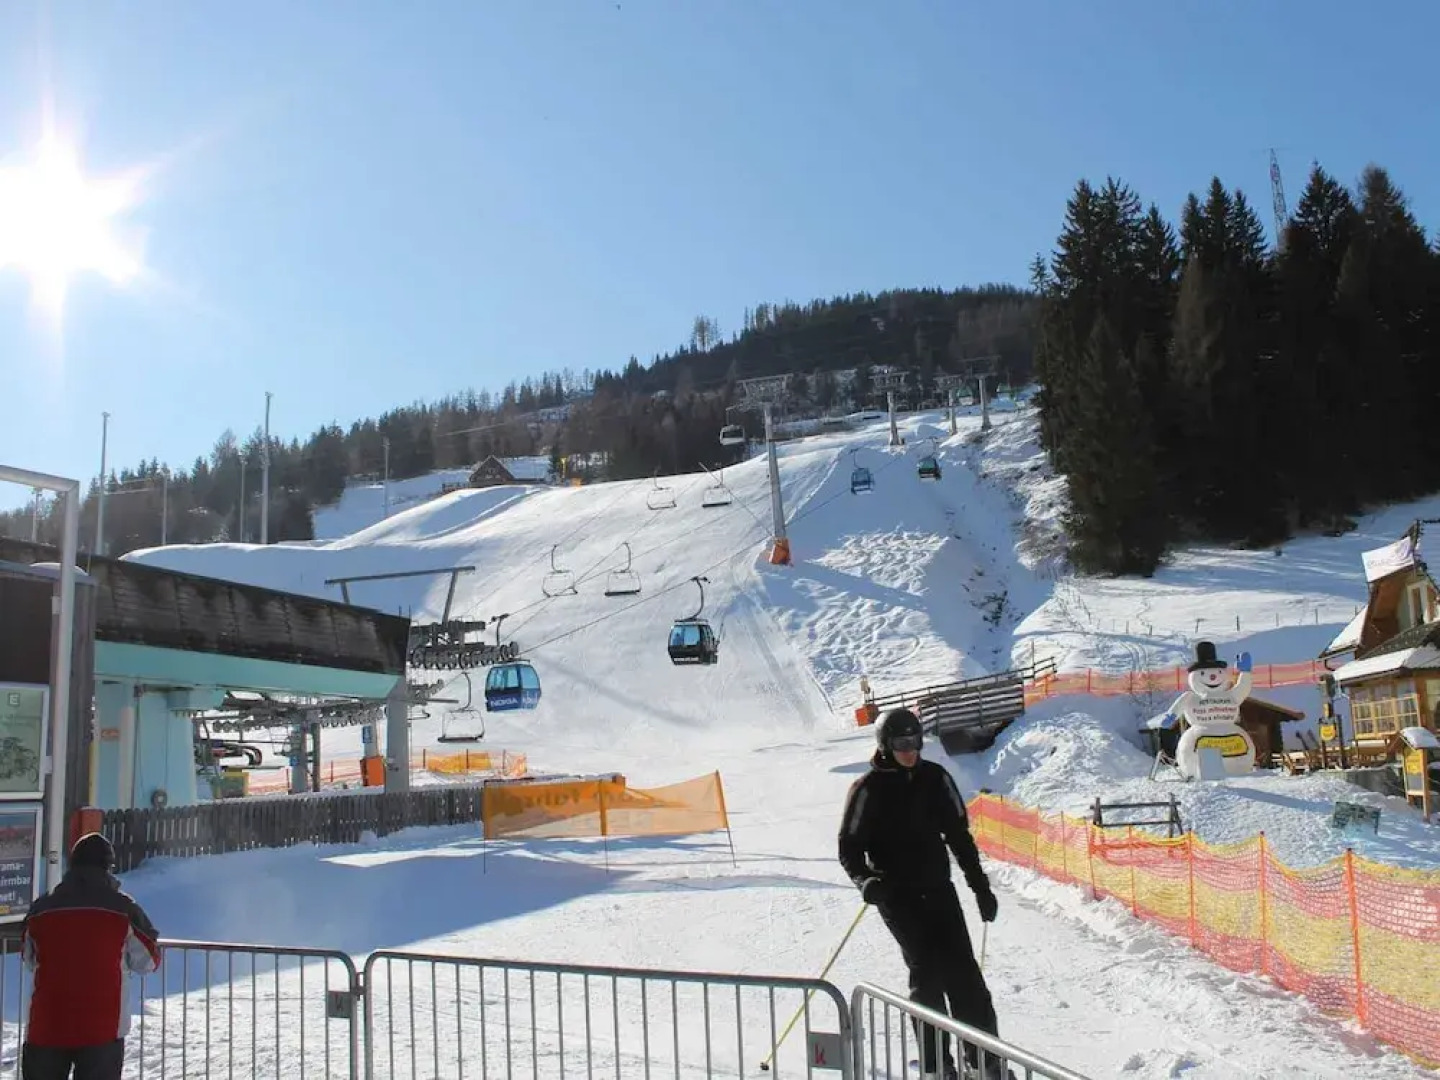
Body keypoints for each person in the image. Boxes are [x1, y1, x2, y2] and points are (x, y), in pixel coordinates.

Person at [838, 707, 1003, 1080]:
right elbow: (849, 847)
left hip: (938, 888)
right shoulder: (867, 789)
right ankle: (936, 1066)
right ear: (885, 745)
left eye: (914, 742)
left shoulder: (935, 778)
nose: (910, 750)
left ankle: (984, 1060)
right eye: (901, 743)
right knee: (926, 974)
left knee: (965, 975)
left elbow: (959, 837)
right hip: (897, 896)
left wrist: (980, 889)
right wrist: (866, 881)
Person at [19, 832, 161, 1080]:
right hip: (101, 1028)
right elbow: (149, 960)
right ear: (108, 867)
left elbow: (29, 957)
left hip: (47, 1025)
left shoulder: (40, 909)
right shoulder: (122, 908)